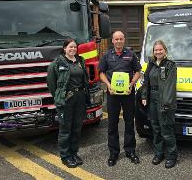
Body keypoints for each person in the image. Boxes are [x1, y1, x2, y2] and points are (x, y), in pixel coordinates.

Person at [99, 31, 142, 166]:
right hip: (112, 95)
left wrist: (131, 84)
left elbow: (137, 72)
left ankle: (130, 151)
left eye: (121, 39)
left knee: (129, 122)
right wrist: (107, 85)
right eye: (116, 39)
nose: (118, 41)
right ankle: (113, 153)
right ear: (112, 40)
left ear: (124, 40)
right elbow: (101, 73)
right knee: (112, 124)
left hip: (128, 94)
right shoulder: (106, 55)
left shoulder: (131, 54)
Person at [47, 38, 90, 168]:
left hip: (80, 97)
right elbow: (51, 83)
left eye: (75, 47)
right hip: (67, 99)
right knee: (65, 129)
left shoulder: (80, 61)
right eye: (70, 47)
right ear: (64, 48)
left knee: (77, 128)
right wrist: (59, 96)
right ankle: (65, 156)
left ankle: (74, 153)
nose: (73, 49)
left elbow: (85, 79)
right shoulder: (57, 63)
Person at [141, 40, 177, 169]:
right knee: (155, 128)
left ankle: (172, 156)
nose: (158, 52)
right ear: (153, 52)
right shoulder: (151, 64)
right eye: (156, 50)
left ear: (165, 51)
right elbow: (146, 81)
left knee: (166, 129)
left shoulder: (170, 65)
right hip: (153, 100)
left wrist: (166, 103)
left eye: (160, 49)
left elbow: (169, 86)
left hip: (164, 100)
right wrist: (144, 96)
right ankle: (159, 153)